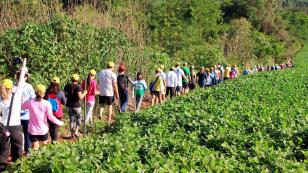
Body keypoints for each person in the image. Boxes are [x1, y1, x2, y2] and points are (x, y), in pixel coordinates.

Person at [0, 65, 27, 171]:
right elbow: (20, 82)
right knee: (18, 148)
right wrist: (23, 65)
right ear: (11, 87)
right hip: (16, 126)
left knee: (3, 149)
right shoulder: (16, 95)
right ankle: (17, 167)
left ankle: (2, 167)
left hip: (4, 127)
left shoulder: (1, 99)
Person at [21, 84, 64, 150]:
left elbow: (21, 106)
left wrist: (21, 99)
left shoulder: (29, 102)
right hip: (43, 129)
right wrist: (60, 123)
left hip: (32, 129)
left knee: (35, 148)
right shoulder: (46, 103)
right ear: (44, 93)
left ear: (35, 92)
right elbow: (51, 117)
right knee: (44, 148)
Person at [15, 71, 35, 155]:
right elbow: (33, 98)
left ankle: (19, 151)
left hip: (16, 115)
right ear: (26, 77)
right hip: (26, 114)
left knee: (18, 133)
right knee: (27, 133)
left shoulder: (14, 87)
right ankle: (28, 151)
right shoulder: (29, 86)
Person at [64, 74, 87, 139]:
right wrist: (84, 93)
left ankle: (72, 135)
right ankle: (76, 131)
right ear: (77, 80)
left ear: (71, 79)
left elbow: (65, 95)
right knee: (79, 118)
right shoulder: (78, 87)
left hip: (69, 105)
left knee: (71, 120)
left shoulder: (67, 86)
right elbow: (80, 97)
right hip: (76, 106)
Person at [44, 77, 66, 144]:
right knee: (56, 127)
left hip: (48, 112)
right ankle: (54, 141)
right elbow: (64, 102)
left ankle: (53, 140)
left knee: (51, 127)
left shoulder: (46, 91)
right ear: (58, 84)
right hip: (58, 112)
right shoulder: (60, 92)